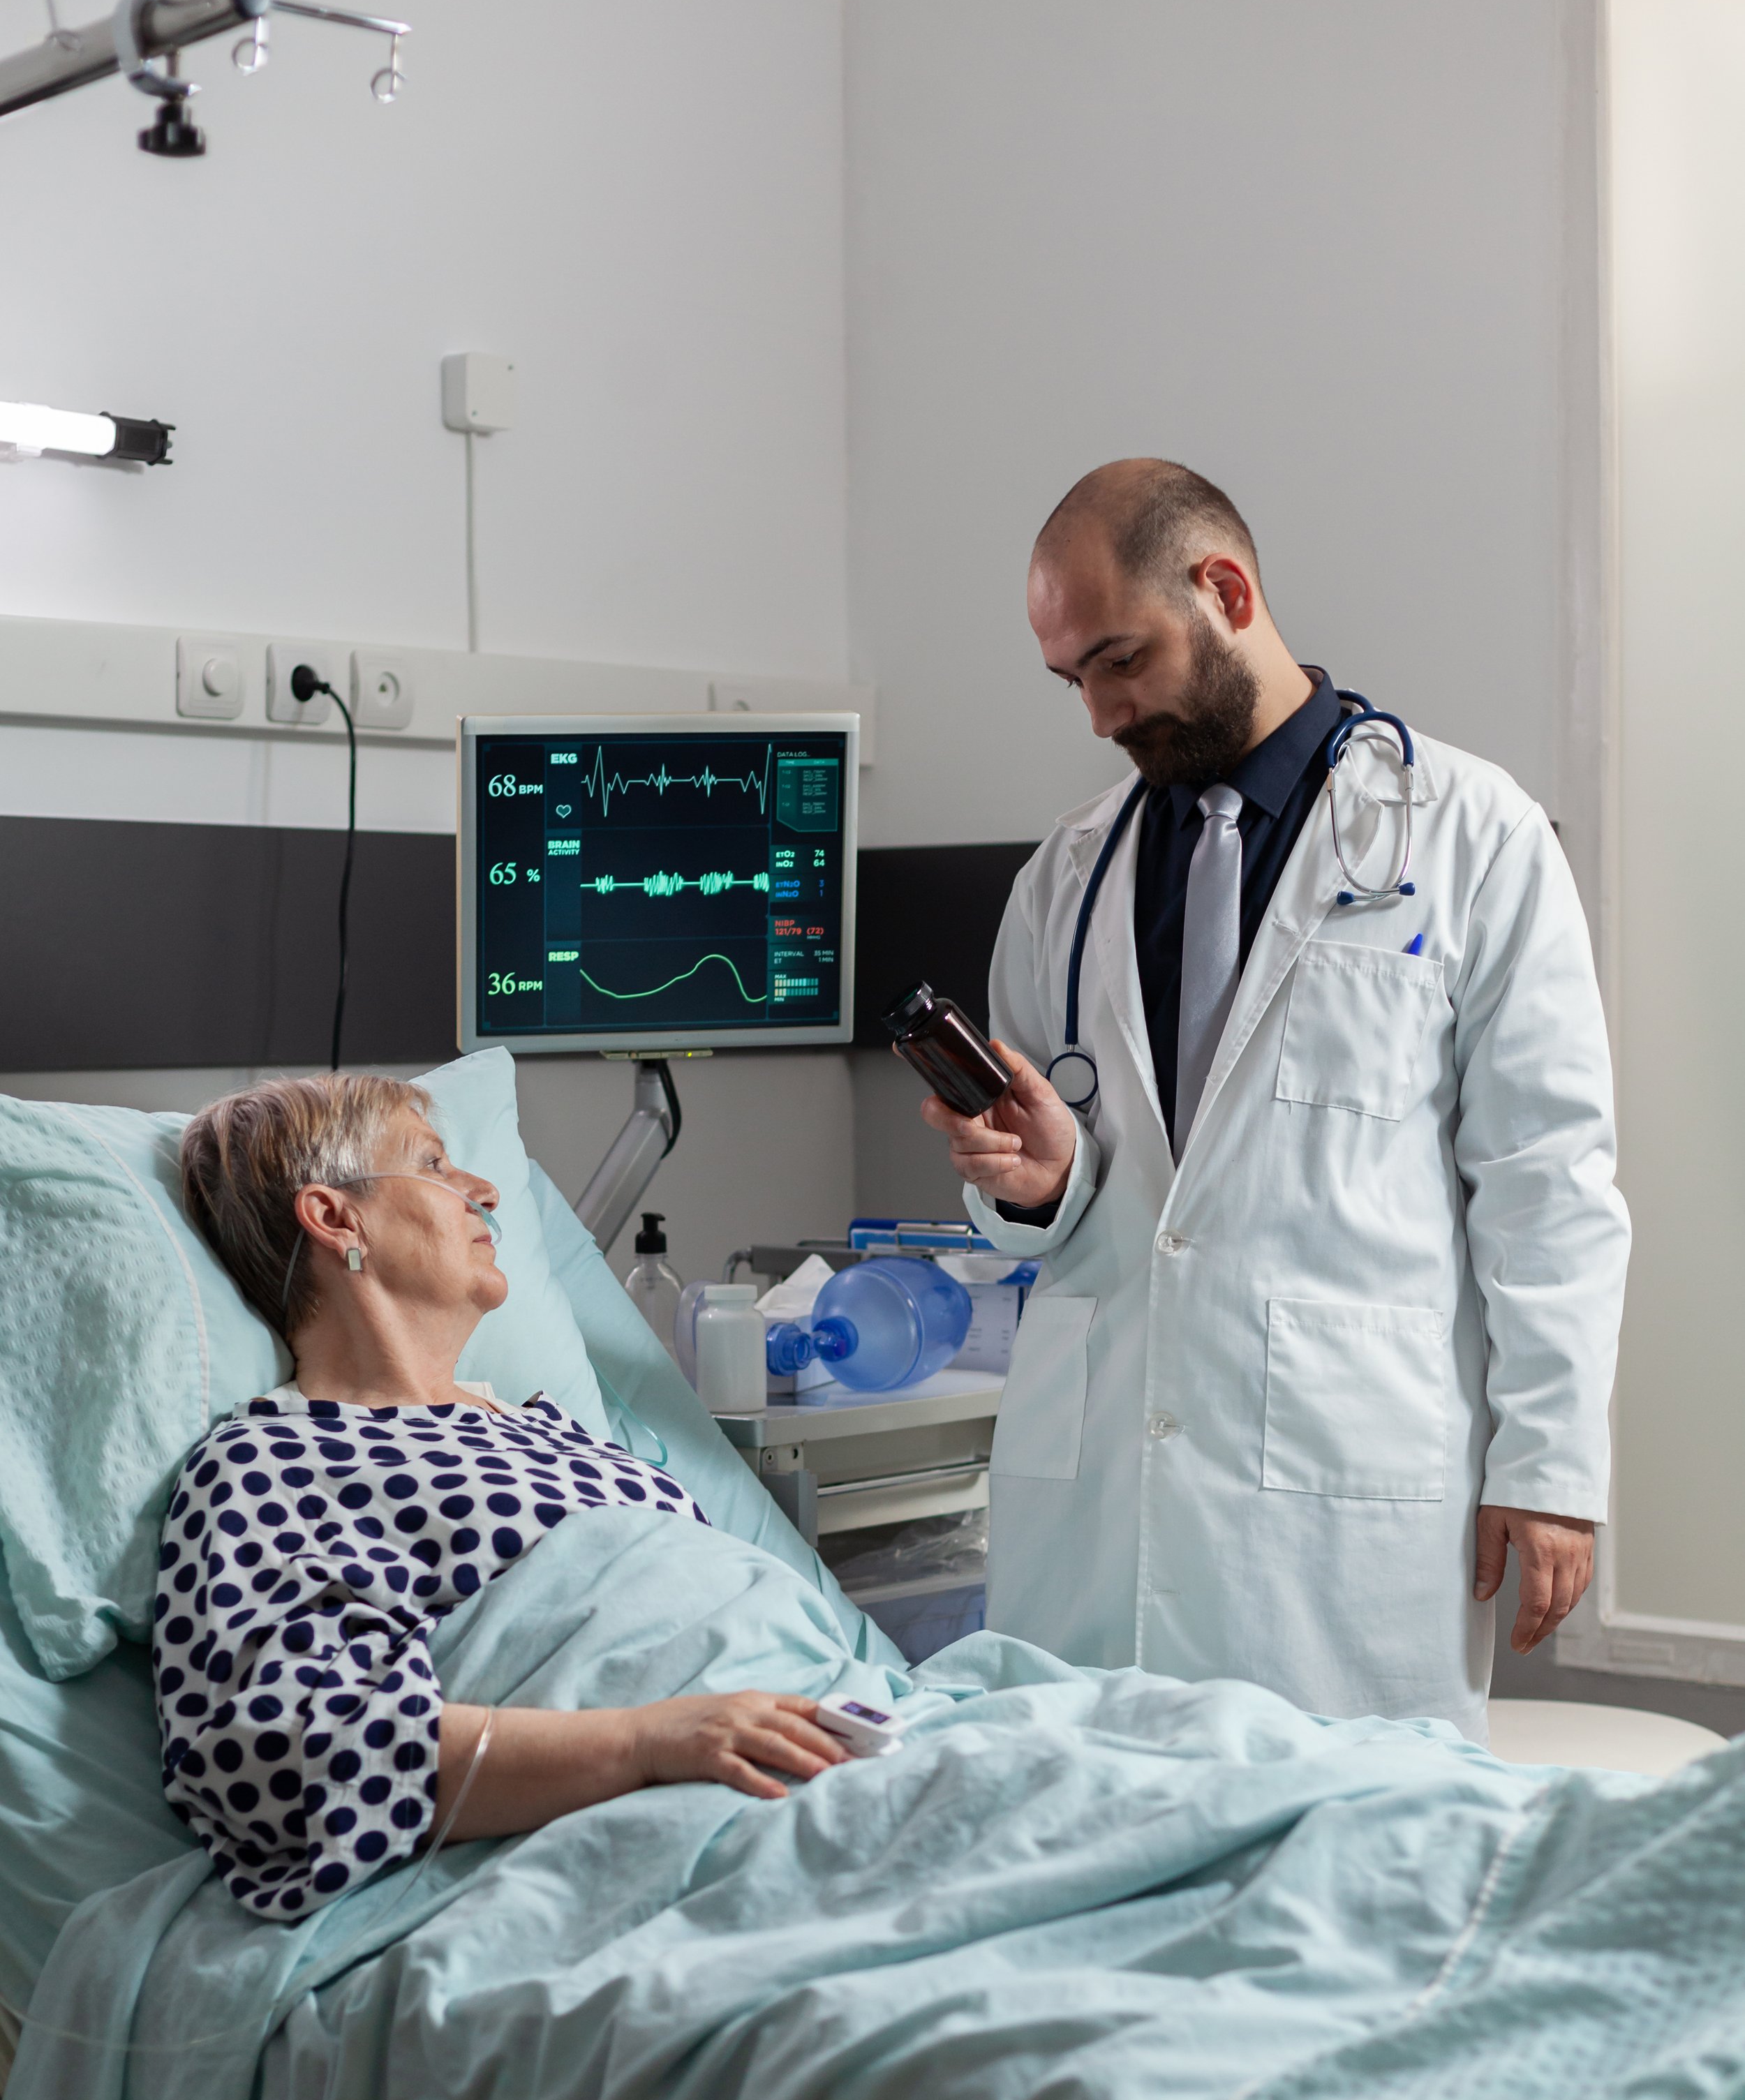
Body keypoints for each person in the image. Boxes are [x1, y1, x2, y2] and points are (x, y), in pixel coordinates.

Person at [919, 459, 1631, 1736]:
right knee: (1084, 1860)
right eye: (1072, 676)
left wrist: (1552, 1465)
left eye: (1118, 661)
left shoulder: (1470, 834)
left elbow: (1549, 1175)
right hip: (1098, 1504)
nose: (1096, 711)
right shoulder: (1068, 877)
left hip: (1339, 1493)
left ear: (1227, 591)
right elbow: (1065, 1193)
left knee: (1350, 1867)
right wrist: (1033, 1189)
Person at [161, 1073, 847, 1919]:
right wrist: (642, 1743)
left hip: (830, 1724)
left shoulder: (551, 1432)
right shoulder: (271, 1458)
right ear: (337, 1218)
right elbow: (273, 1756)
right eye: (435, 1163)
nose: (482, 1190)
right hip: (683, 1806)